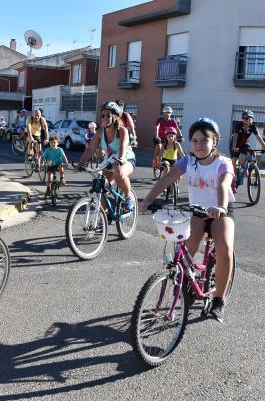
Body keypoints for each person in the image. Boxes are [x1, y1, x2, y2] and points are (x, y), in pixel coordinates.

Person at [139, 117, 235, 323]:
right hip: (198, 211)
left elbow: (223, 183)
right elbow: (166, 178)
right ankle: (187, 285)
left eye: (204, 140)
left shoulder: (223, 162)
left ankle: (219, 299)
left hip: (221, 211)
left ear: (214, 141)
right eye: (194, 141)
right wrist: (148, 200)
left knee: (225, 249)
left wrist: (220, 207)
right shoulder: (188, 161)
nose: (199, 145)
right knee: (187, 248)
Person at [76, 101, 137, 210]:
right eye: (102, 115)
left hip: (127, 159)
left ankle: (129, 196)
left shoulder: (122, 130)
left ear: (115, 117)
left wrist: (121, 159)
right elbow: (90, 149)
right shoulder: (99, 132)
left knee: (118, 171)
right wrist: (80, 164)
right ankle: (102, 216)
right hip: (110, 161)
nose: (104, 118)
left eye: (108, 115)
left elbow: (123, 147)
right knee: (100, 185)